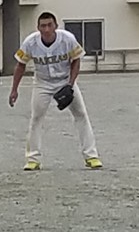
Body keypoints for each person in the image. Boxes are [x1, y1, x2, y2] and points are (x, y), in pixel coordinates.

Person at [9, 10, 101, 172]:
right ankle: (33, 159)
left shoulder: (67, 39)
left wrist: (70, 85)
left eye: (49, 25)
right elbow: (20, 65)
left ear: (56, 26)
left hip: (64, 80)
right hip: (42, 83)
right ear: (38, 27)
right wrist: (14, 90)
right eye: (43, 26)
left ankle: (91, 156)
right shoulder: (30, 42)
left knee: (81, 114)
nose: (46, 29)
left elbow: (76, 61)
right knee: (36, 118)